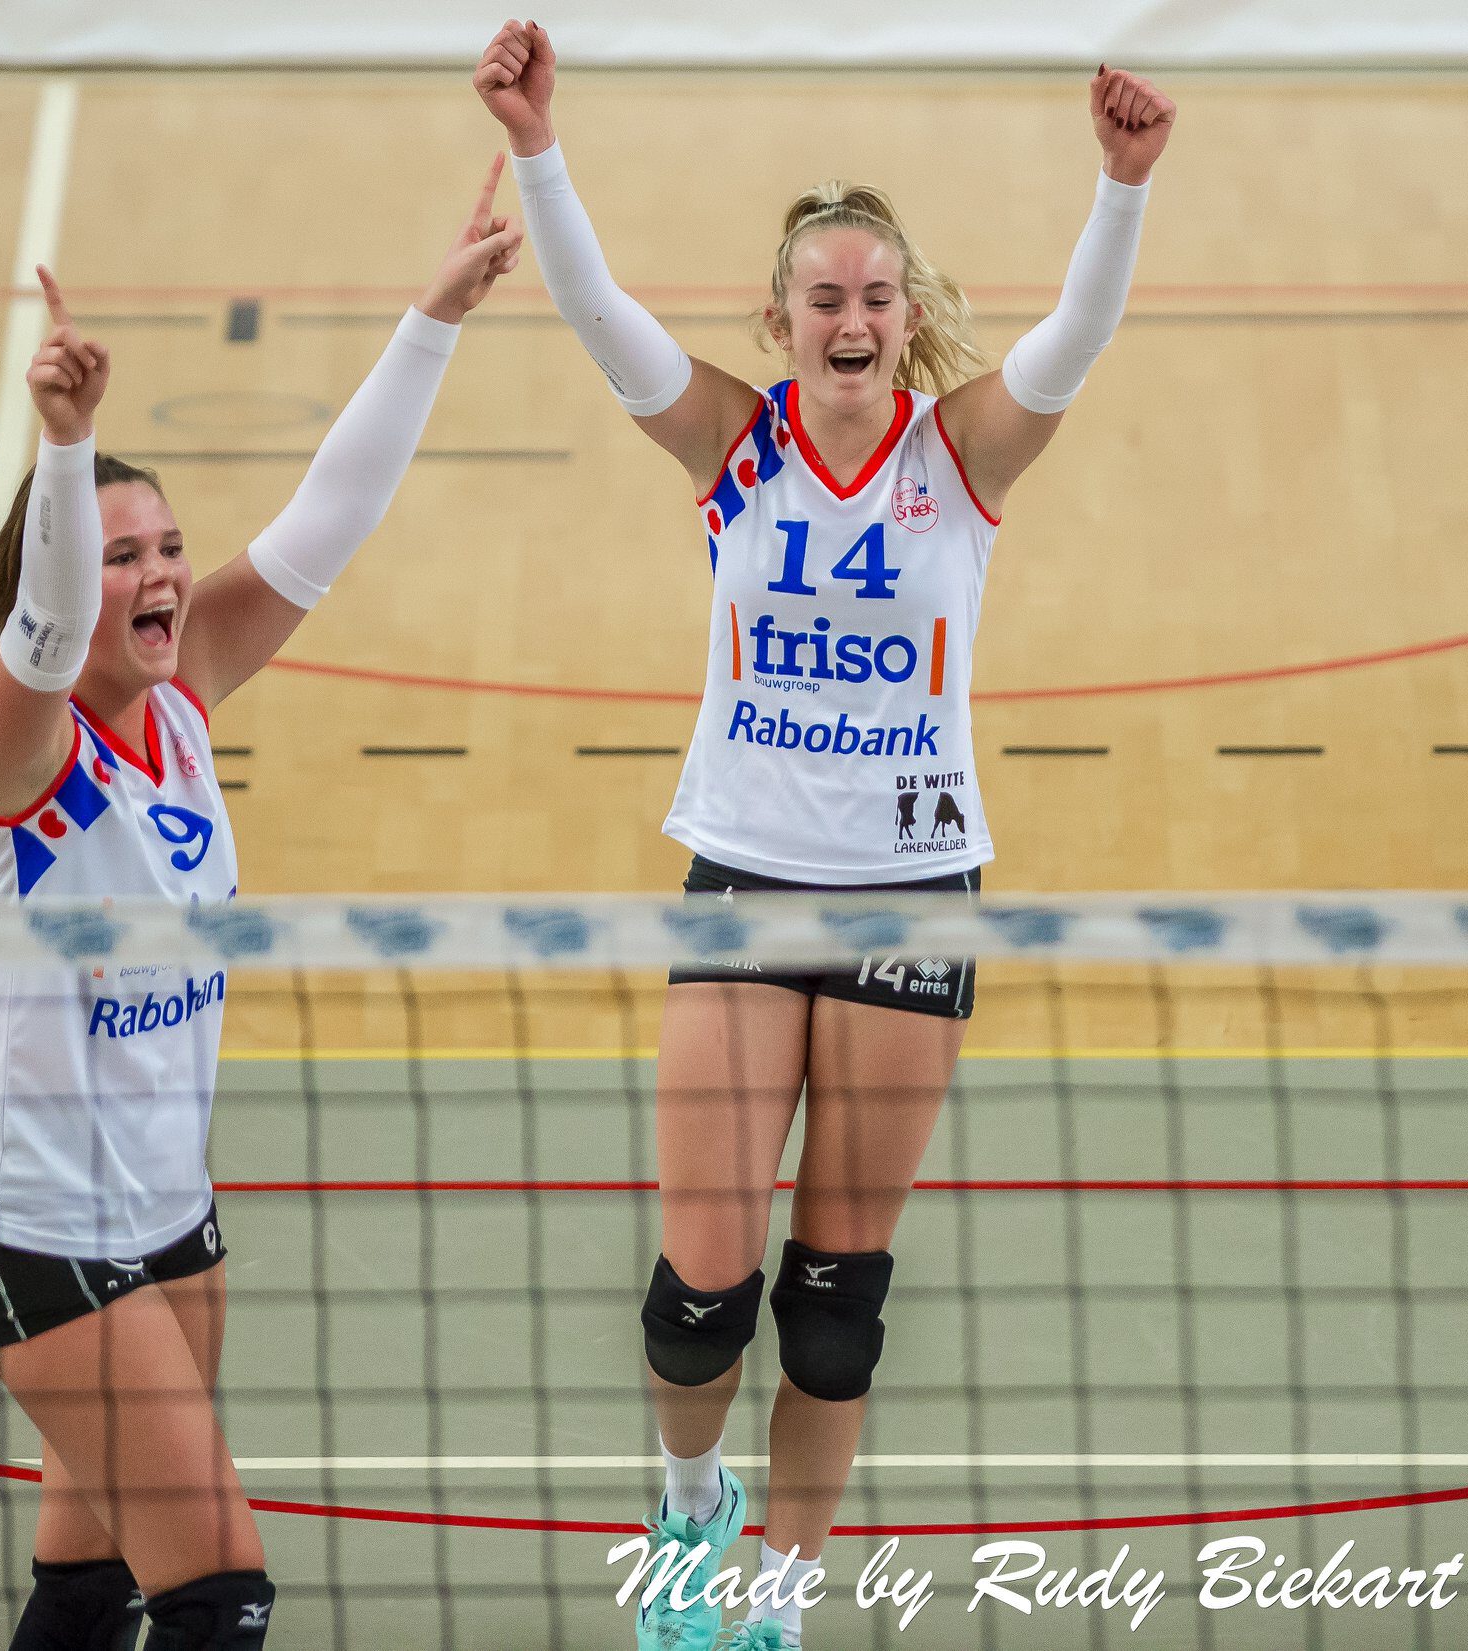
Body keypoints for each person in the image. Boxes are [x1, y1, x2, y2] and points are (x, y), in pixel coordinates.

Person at [475, 23, 1174, 1649]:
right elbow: (593, 311)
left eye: (876, 296)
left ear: (908, 315)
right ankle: (688, 1510)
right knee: (699, 1298)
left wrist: (1122, 186)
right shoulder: (737, 447)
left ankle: (774, 1607)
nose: (851, 320)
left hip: (913, 895)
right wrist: (536, 146)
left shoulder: (959, 454)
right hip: (746, 883)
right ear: (782, 320)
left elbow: (1073, 341)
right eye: (823, 298)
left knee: (836, 1312)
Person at [0, 161, 522, 1651]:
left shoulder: (186, 692)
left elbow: (335, 513)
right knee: (221, 1597)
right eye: (123, 555)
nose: (163, 577)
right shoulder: (16, 751)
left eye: (170, 548)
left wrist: (434, 318)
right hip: (37, 1223)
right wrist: (65, 447)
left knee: (93, 1583)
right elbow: (47, 630)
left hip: (170, 1213)